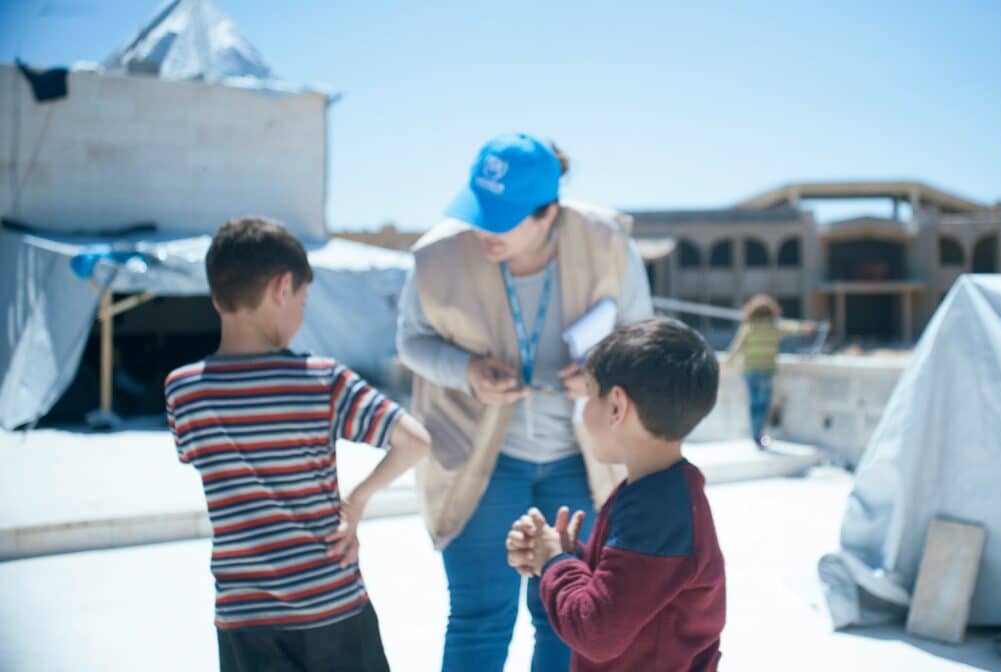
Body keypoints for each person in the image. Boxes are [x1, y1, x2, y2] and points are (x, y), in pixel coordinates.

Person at [396, 133, 653, 671]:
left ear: (549, 214)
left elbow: (643, 335)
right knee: (479, 617)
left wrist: (602, 372)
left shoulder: (607, 243)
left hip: (577, 461)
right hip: (478, 461)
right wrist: (466, 371)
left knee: (567, 618)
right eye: (480, 210)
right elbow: (411, 342)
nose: (486, 228)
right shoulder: (438, 255)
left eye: (505, 216)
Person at [164, 217, 431, 672]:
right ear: (282, 288)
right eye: (304, 300)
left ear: (215, 296)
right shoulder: (321, 380)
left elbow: (199, 460)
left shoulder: (184, 391)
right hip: (330, 602)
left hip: (242, 615)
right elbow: (414, 441)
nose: (302, 312)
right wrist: (357, 501)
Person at [505, 317, 726, 671]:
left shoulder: (657, 512)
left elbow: (598, 632)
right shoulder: (659, 494)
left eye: (590, 394)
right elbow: (632, 595)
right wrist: (564, 555)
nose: (584, 408)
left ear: (616, 407)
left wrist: (556, 563)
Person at [724, 293, 814, 449]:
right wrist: (805, 328)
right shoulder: (774, 328)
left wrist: (726, 364)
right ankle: (759, 434)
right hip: (766, 371)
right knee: (763, 404)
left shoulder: (748, 328)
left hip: (750, 371)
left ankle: (755, 434)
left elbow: (736, 348)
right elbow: (792, 328)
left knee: (753, 404)